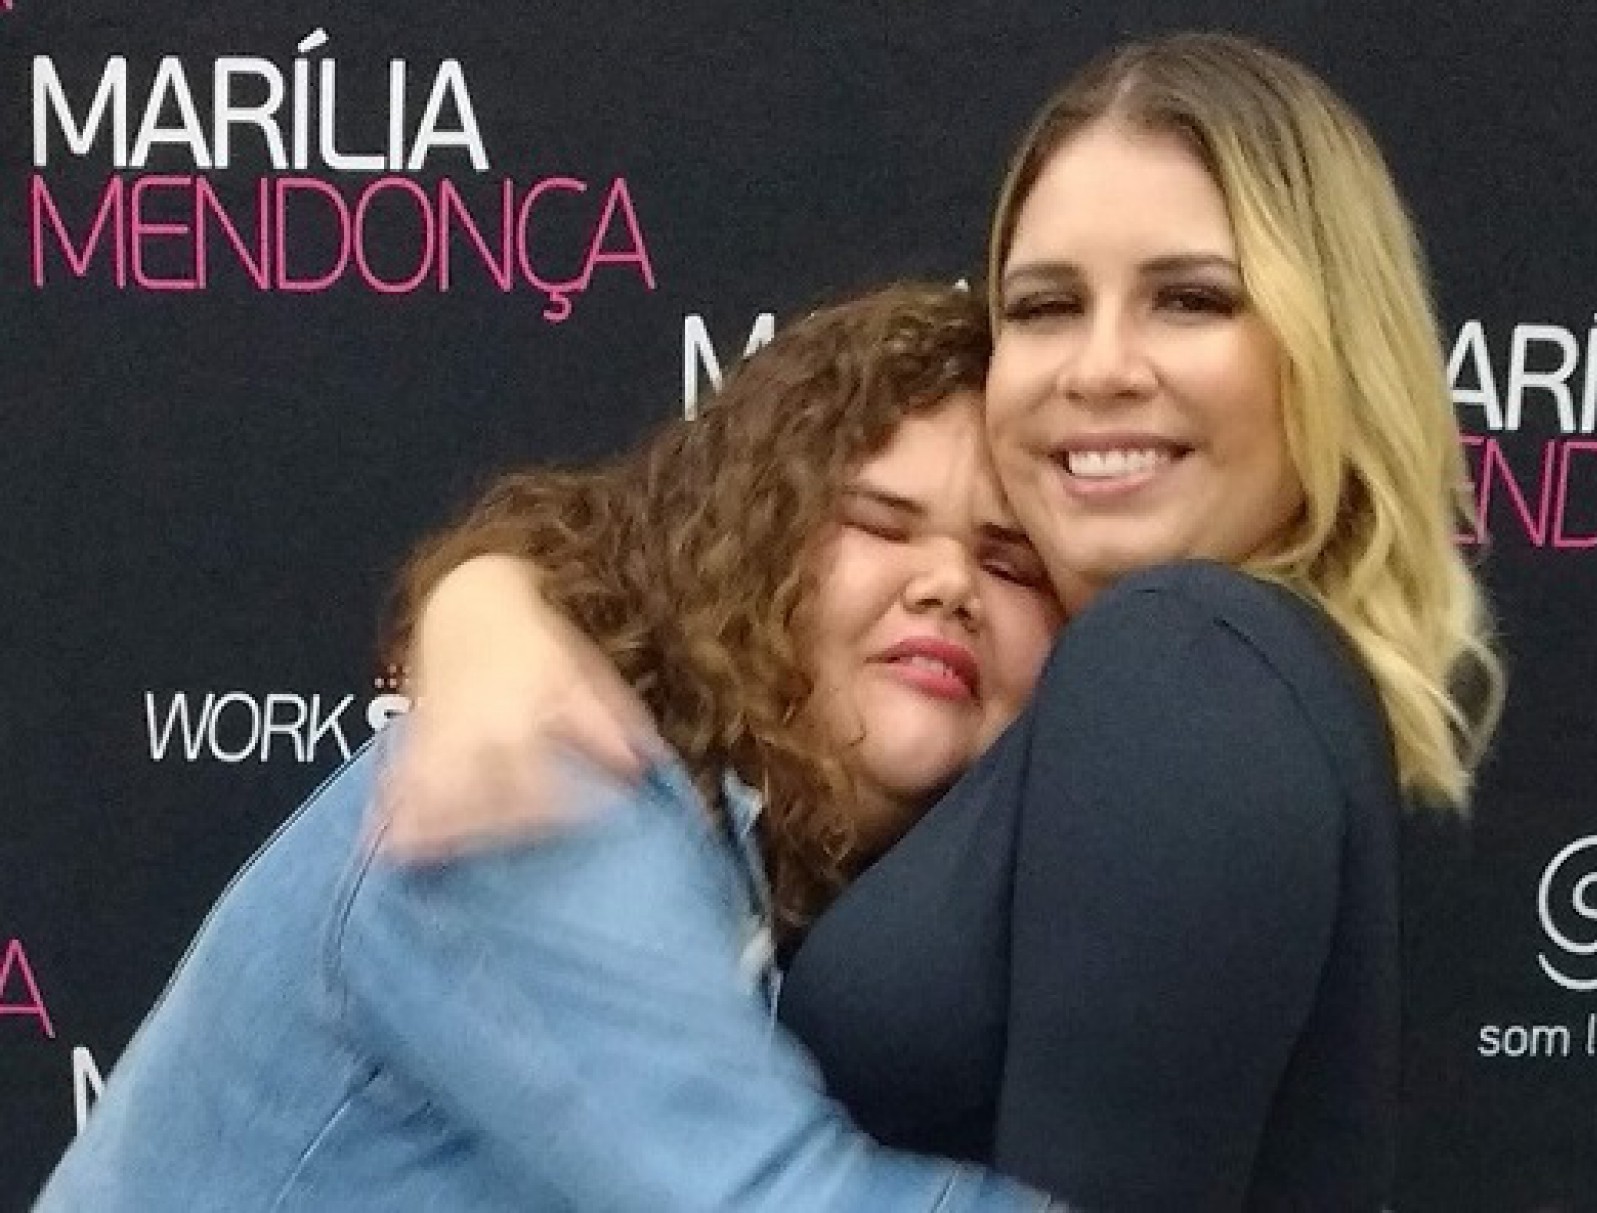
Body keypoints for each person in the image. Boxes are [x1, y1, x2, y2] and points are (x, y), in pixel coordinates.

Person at [380, 31, 1503, 1213]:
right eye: (1046, 305)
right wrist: (487, 602)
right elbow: (620, 544)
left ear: (1327, 347)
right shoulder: (1138, 694)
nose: (1101, 367)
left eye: (1190, 299)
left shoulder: (1184, 660)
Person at [33, 285, 1066, 1212]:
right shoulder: (560, 777)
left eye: (1009, 561)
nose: (946, 583)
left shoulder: (793, 892)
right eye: (882, 523)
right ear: (757, 545)